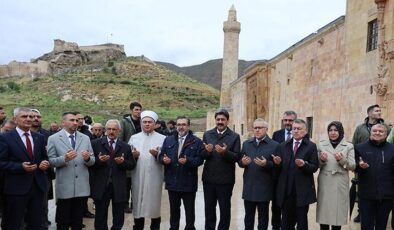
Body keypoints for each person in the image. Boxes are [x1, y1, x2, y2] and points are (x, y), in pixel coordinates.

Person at [0, 107, 50, 230]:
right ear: (15, 119)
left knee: (35, 223)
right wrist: (19, 166)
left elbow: (44, 158)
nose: (29, 119)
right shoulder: (6, 137)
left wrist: (44, 163)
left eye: (31, 117)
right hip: (16, 188)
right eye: (24, 116)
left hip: (37, 187)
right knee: (14, 223)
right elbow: (1, 162)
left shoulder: (39, 137)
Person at [47, 112, 95, 230]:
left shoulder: (85, 138)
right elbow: (50, 161)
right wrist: (64, 159)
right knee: (63, 221)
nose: (75, 122)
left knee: (77, 222)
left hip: (82, 187)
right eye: (72, 120)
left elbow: (93, 160)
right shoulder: (53, 138)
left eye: (76, 120)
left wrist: (88, 158)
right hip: (65, 187)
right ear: (63, 122)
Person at [159, 116, 203, 230]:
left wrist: (188, 161)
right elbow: (161, 155)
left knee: (189, 211)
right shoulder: (168, 139)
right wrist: (164, 160)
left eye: (183, 124)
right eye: (179, 124)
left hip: (188, 182)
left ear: (188, 126)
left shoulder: (196, 141)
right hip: (172, 182)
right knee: (174, 210)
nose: (181, 127)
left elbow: (200, 160)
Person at [272, 119, 318, 230]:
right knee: (286, 222)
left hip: (302, 191)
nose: (296, 131)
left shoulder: (311, 146)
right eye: (294, 128)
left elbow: (314, 167)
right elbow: (277, 170)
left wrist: (304, 165)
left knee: (302, 222)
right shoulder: (282, 146)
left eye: (299, 128)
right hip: (286, 190)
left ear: (305, 131)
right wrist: (277, 164)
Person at [90, 119, 136, 230]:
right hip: (101, 185)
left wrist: (123, 162)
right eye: (109, 129)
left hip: (119, 185)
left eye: (114, 129)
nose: (111, 131)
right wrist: (98, 160)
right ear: (105, 130)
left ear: (119, 131)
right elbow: (89, 163)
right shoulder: (95, 144)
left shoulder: (125, 146)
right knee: (100, 214)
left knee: (119, 214)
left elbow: (132, 165)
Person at [201, 109, 241, 230]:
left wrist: (225, 152)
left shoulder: (234, 136)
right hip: (209, 179)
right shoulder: (207, 134)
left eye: (222, 119)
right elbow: (202, 155)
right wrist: (207, 151)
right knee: (209, 208)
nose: (220, 121)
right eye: (218, 119)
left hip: (225, 180)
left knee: (224, 209)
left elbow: (236, 157)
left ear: (227, 121)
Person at [128, 110, 166, 230]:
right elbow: (128, 158)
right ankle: (138, 227)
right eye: (144, 122)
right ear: (141, 123)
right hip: (137, 176)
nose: (147, 124)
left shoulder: (163, 138)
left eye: (150, 122)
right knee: (138, 202)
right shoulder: (134, 138)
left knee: (154, 204)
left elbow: (166, 158)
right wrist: (133, 156)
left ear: (155, 124)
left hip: (155, 176)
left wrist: (157, 155)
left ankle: (155, 227)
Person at [238, 118, 278, 230]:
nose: (257, 130)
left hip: (264, 188)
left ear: (266, 129)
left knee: (263, 219)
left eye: (260, 128)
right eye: (255, 128)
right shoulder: (246, 144)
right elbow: (240, 162)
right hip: (249, 187)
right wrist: (242, 162)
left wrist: (267, 164)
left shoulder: (275, 145)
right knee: (248, 219)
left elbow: (278, 166)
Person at [351, 104, 388, 223]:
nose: (379, 112)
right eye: (376, 111)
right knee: (361, 187)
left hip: (380, 162)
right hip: (362, 163)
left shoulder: (386, 127)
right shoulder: (360, 128)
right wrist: (355, 162)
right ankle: (361, 212)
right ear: (369, 113)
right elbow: (354, 144)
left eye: (380, 110)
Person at [316, 121, 356, 230]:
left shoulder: (349, 146)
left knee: (338, 212)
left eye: (335, 130)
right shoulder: (321, 144)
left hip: (340, 181)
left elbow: (352, 166)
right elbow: (316, 165)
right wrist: (321, 160)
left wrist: (342, 160)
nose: (333, 133)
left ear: (340, 131)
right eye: (330, 130)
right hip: (325, 181)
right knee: (324, 211)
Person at [355, 124, 394, 230]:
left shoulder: (392, 149)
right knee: (366, 225)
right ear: (370, 133)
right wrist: (360, 166)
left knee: (381, 225)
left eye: (381, 131)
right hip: (366, 195)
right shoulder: (360, 147)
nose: (377, 133)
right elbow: (354, 167)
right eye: (375, 131)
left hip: (386, 195)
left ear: (386, 134)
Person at [271, 110, 297, 230]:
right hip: (278, 176)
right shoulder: (277, 134)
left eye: (290, 120)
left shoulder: (302, 135)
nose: (287, 122)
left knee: (291, 206)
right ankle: (276, 226)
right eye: (285, 120)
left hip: (293, 178)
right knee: (276, 205)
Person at [30, 108, 54, 229]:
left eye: (38, 117)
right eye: (32, 116)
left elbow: (51, 155)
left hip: (44, 174)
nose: (35, 119)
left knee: (42, 204)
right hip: (25, 176)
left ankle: (43, 224)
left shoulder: (47, 134)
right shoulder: (18, 134)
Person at [120, 101, 142, 213]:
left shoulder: (143, 122)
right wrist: (126, 153)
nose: (138, 112)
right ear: (131, 110)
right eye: (136, 110)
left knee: (137, 182)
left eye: (139, 110)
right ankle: (125, 205)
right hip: (129, 156)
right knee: (127, 183)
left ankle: (135, 204)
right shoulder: (124, 122)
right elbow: (121, 139)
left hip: (140, 157)